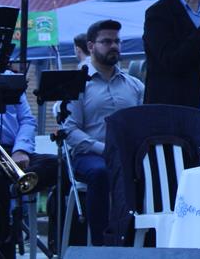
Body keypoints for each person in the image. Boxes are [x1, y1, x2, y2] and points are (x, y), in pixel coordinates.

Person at [62, 19, 144, 246]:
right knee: (101, 173)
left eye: (117, 41)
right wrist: (103, 149)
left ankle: (141, 239)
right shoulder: (76, 83)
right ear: (90, 46)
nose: (114, 46)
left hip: (127, 154)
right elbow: (69, 129)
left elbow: (143, 123)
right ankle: (101, 245)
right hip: (89, 156)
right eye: (106, 41)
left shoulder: (134, 85)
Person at [0, 76, 58, 258]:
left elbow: (27, 120)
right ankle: (4, 239)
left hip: (14, 149)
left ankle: (55, 242)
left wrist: (21, 150)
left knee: (57, 165)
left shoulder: (10, 81)